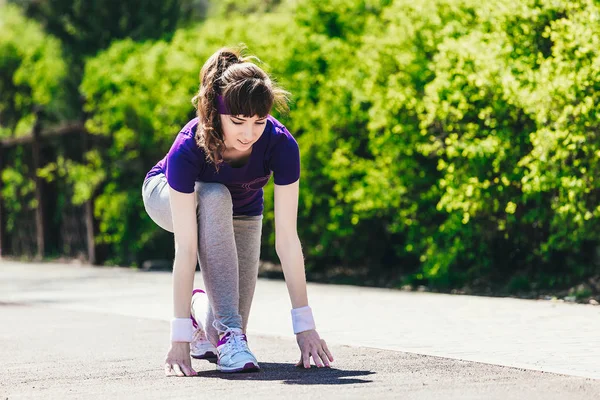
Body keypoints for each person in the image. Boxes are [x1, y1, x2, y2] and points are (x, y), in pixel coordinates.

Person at [141, 47, 334, 376]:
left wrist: (305, 326)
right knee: (215, 193)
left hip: (241, 211)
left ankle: (202, 312)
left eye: (259, 121)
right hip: (167, 196)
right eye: (238, 121)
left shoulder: (281, 145)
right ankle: (225, 330)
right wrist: (179, 339)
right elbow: (187, 248)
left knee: (224, 331)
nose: (249, 133)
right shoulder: (189, 146)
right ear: (217, 112)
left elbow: (287, 239)